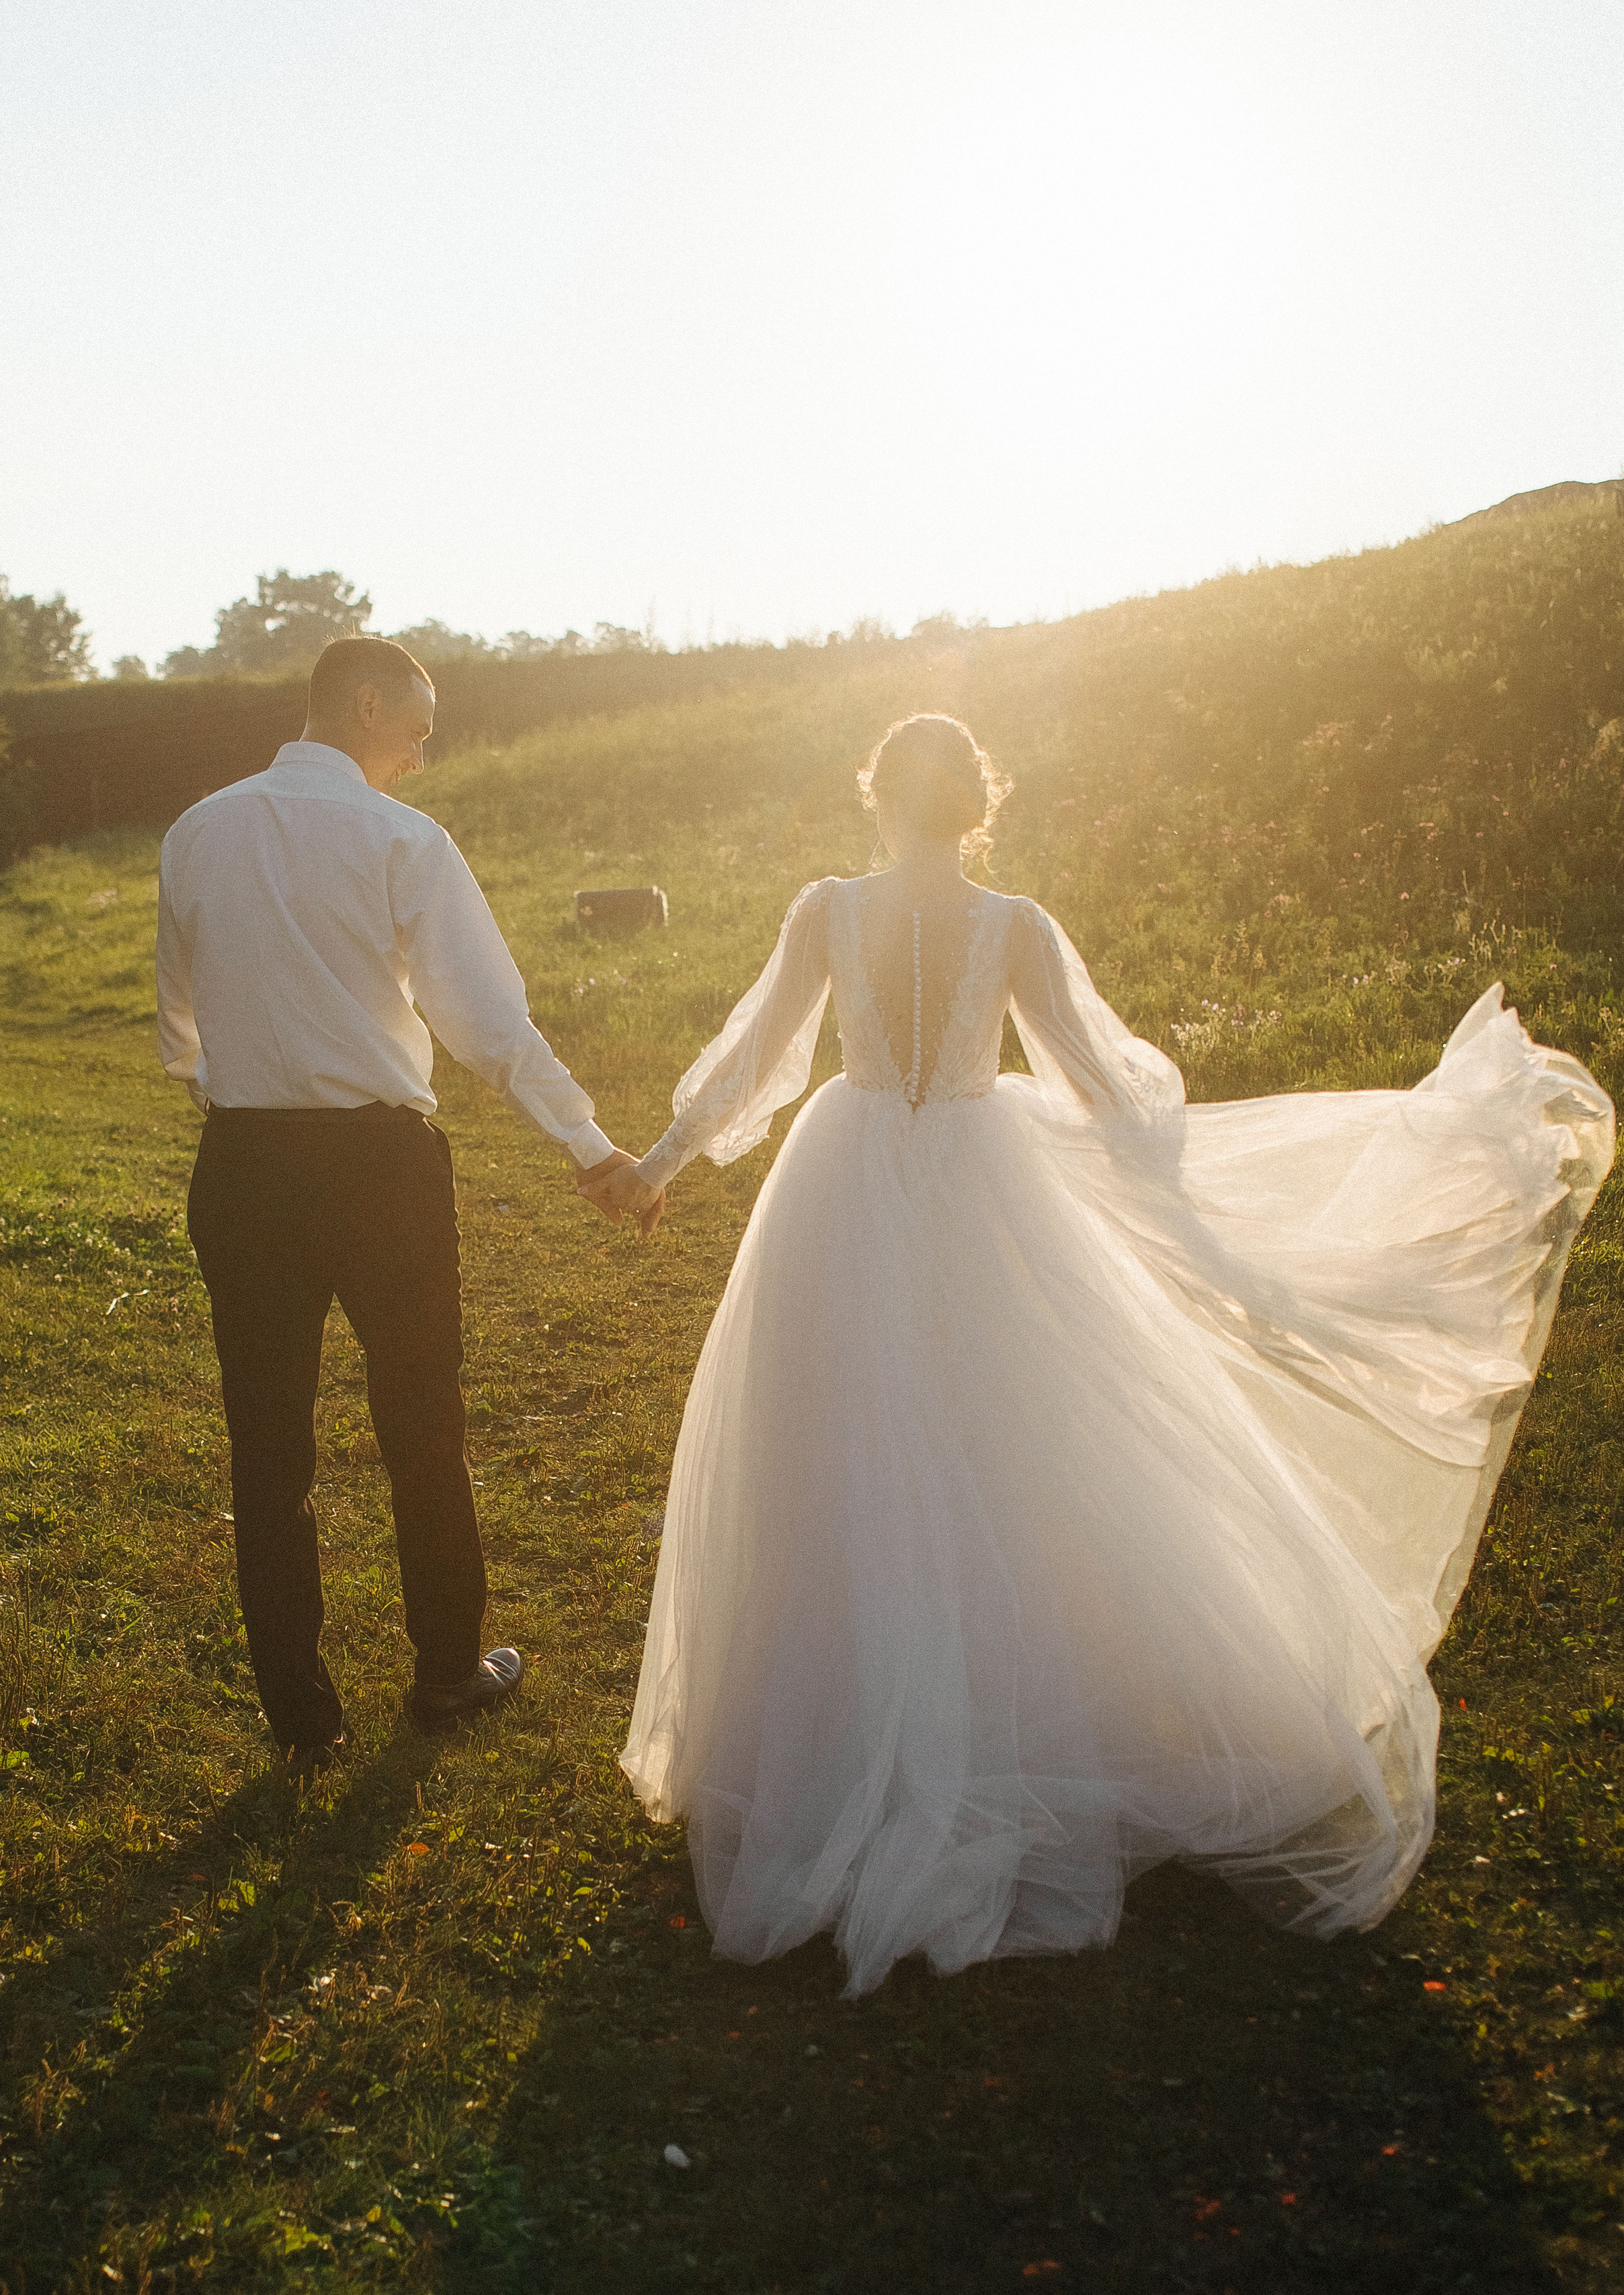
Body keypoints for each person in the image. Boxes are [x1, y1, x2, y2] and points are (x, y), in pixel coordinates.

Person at [616, 712, 1614, 1997]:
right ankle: (995, 1699)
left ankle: (824, 1728)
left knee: (832, 1445)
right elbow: (1106, 1086)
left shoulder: (829, 912)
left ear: (878, 798)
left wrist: (655, 1168)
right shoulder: (1014, 928)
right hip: (982, 1188)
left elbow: (756, 1058)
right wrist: (1174, 1184)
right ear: (978, 806)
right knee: (1008, 1446)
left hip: (847, 1185)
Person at [157, 635, 661, 1771]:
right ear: (367, 703)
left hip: (241, 1167)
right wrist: (590, 1148)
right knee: (424, 1427)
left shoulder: (198, 830)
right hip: (380, 1171)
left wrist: (241, 1097)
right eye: (419, 730)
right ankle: (445, 1676)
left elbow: (176, 1020)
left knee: (266, 1448)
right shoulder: (402, 840)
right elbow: (489, 1026)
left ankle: (303, 1721)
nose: (423, 758)